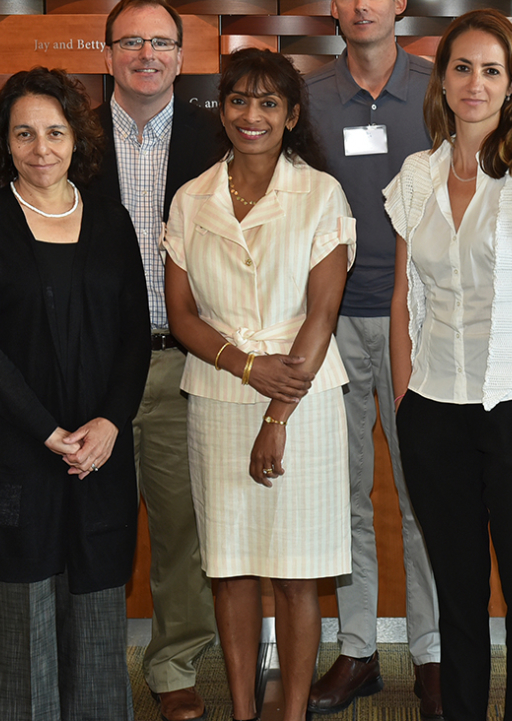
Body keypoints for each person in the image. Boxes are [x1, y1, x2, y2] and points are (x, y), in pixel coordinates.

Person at [385, 8, 512, 721]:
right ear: (442, 80)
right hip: (434, 414)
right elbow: (404, 301)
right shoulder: (415, 177)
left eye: (492, 70)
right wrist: (407, 402)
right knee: (460, 595)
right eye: (462, 67)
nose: (475, 83)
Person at [0, 68, 151, 720]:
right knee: (24, 635)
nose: (41, 148)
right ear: (4, 142)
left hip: (100, 454)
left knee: (96, 631)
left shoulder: (112, 222)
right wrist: (49, 432)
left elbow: (132, 339)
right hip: (16, 453)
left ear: (77, 137)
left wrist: (110, 424)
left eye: (55, 132)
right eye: (24, 133)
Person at [163, 48, 355, 721]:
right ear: (223, 109)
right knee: (231, 565)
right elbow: (182, 315)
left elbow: (322, 312)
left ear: (292, 115)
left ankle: (293, 710)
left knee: (299, 570)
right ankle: (244, 711)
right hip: (217, 394)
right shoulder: (192, 198)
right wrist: (246, 366)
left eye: (269, 102)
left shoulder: (321, 193)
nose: (252, 114)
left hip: (304, 398)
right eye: (239, 100)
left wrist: (275, 414)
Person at [303, 0, 442, 718]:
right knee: (343, 494)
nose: (361, 4)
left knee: (425, 493)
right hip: (329, 323)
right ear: (334, 5)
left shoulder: (439, 87)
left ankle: (432, 650)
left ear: (399, 2)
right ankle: (357, 648)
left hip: (422, 322)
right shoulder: (307, 95)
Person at [85, 0, 220, 721]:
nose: (146, 55)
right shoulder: (68, 136)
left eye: (161, 43)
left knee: (181, 529)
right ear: (107, 55)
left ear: (180, 56)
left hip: (180, 363)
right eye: (131, 42)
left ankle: (173, 665)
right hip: (90, 369)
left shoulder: (214, 139)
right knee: (92, 527)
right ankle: (94, 664)